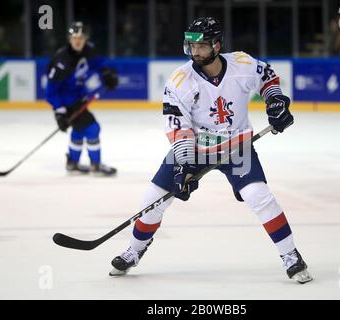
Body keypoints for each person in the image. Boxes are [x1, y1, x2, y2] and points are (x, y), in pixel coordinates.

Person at [109, 17, 312, 283]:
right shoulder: (180, 80)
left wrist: (275, 101)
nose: (196, 52)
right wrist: (183, 165)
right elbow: (177, 125)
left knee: (259, 197)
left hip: (237, 145)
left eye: (202, 46)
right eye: (192, 47)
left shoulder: (242, 64)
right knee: (152, 200)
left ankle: (291, 255)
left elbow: (267, 76)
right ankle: (134, 251)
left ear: (217, 45)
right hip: (194, 147)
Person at [45, 22, 118, 176]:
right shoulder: (61, 61)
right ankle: (95, 165)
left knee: (79, 130)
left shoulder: (88, 50)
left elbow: (99, 63)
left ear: (85, 38)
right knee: (93, 128)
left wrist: (107, 74)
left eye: (81, 37)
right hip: (67, 101)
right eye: (74, 37)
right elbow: (51, 91)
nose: (77, 41)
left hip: (79, 97)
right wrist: (59, 112)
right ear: (69, 39)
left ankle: (73, 162)